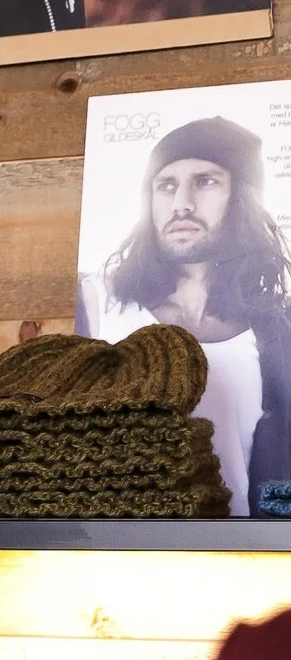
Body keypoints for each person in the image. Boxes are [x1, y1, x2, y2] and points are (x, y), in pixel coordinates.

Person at [79, 115, 291, 514]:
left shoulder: (277, 327)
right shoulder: (99, 304)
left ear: (241, 196)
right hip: (118, 554)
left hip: (246, 558)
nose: (182, 204)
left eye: (206, 180)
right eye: (166, 185)